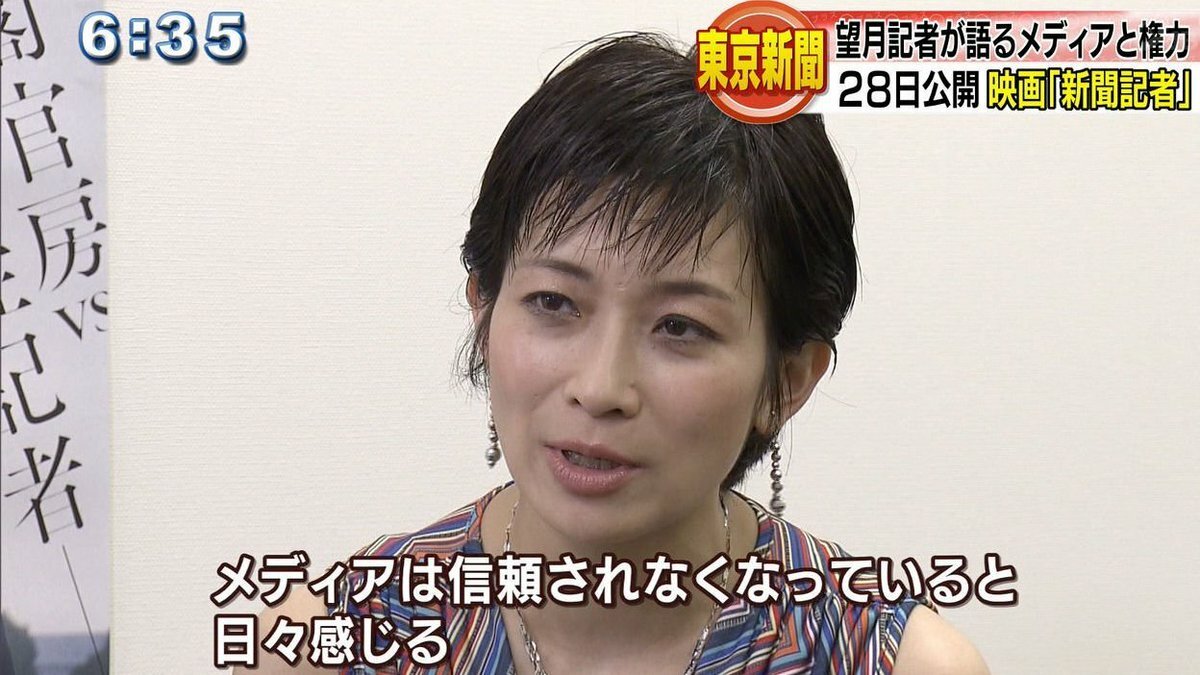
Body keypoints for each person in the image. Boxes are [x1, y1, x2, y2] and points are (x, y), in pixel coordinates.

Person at [253, 33, 988, 674]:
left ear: (787, 382)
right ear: (484, 311)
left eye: (680, 327)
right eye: (554, 303)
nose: (601, 387)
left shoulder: (893, 661)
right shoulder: (329, 641)